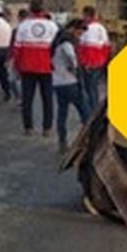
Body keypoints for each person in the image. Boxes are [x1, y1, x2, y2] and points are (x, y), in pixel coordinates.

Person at [12, 0, 59, 135]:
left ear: (30, 9)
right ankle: (47, 128)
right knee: (47, 99)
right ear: (44, 9)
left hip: (27, 67)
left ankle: (28, 128)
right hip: (46, 67)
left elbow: (17, 49)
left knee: (27, 99)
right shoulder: (52, 26)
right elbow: (57, 47)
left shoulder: (23, 26)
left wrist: (17, 67)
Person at [53, 18, 90, 154]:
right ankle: (88, 140)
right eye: (79, 33)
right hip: (70, 82)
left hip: (58, 82)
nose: (80, 36)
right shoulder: (66, 42)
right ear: (74, 29)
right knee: (85, 112)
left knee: (62, 113)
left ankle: (62, 141)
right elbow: (72, 60)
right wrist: (76, 70)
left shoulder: (58, 39)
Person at [77, 6, 110, 108]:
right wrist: (103, 61)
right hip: (99, 63)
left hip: (89, 64)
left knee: (89, 89)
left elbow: (84, 48)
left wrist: (86, 63)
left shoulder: (86, 29)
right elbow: (107, 46)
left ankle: (91, 112)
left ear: (87, 16)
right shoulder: (101, 28)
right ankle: (95, 111)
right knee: (94, 88)